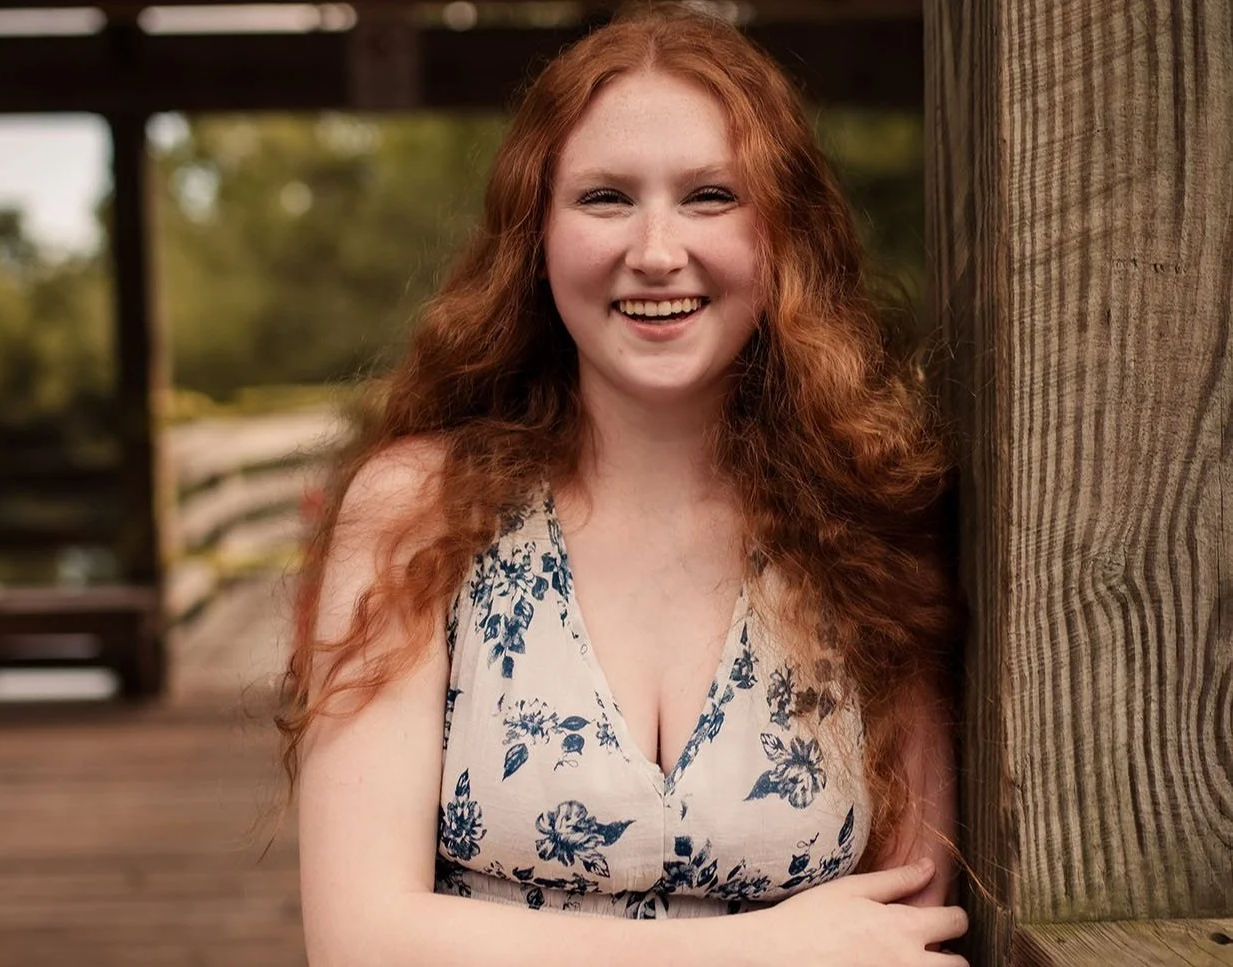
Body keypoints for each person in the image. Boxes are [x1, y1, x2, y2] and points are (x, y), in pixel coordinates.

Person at [279, 5, 969, 965]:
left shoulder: (870, 524)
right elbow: (360, 939)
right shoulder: (417, 511)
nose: (654, 250)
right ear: (538, 236)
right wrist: (765, 952)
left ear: (783, 233)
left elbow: (908, 922)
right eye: (605, 197)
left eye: (710, 196)